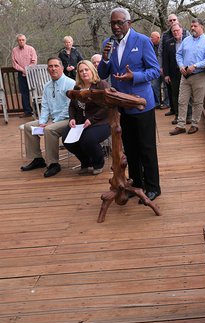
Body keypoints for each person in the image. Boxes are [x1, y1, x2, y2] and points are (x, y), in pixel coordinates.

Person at [98, 7, 161, 202]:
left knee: (146, 148)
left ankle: (153, 187)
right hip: (121, 106)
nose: (116, 27)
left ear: (128, 23)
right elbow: (102, 74)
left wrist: (135, 76)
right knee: (130, 148)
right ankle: (137, 184)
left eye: (119, 23)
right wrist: (105, 58)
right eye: (112, 23)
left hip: (141, 104)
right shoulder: (108, 43)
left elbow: (155, 70)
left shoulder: (142, 41)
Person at [20, 57, 75, 177]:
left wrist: (53, 122)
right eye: (50, 66)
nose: (53, 69)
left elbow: (69, 107)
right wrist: (42, 121)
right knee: (29, 126)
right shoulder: (47, 86)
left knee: (49, 130)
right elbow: (44, 106)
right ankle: (37, 159)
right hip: (52, 120)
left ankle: (53, 163)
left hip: (67, 119)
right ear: (47, 69)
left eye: (56, 66)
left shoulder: (70, 83)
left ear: (62, 67)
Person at [62, 60, 110, 175]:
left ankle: (98, 163)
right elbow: (72, 106)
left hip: (101, 122)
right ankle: (86, 162)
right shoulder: (77, 87)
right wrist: (72, 118)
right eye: (81, 71)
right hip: (80, 122)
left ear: (92, 70)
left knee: (87, 139)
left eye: (86, 69)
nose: (84, 73)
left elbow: (107, 106)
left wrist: (92, 120)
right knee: (67, 139)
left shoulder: (101, 84)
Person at [169, 18, 205, 136]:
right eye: (191, 26)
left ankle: (194, 124)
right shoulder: (186, 40)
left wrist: (195, 65)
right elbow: (178, 54)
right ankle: (181, 125)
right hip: (185, 76)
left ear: (201, 27)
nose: (192, 28)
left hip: (199, 75)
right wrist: (180, 66)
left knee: (197, 102)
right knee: (182, 101)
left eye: (195, 26)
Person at [159, 14, 189, 117]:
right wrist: (163, 69)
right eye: (170, 20)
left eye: (174, 20)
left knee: (186, 94)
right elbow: (162, 53)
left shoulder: (187, 37)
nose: (172, 21)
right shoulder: (165, 37)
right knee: (173, 92)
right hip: (172, 70)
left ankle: (188, 115)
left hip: (186, 70)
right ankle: (176, 113)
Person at [11, 34, 37, 117]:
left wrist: (27, 69)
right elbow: (14, 63)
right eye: (19, 40)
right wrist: (22, 70)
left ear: (25, 40)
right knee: (24, 93)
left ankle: (37, 110)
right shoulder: (14, 50)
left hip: (31, 72)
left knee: (34, 91)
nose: (21, 41)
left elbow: (34, 61)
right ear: (17, 41)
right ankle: (27, 111)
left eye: (23, 40)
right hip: (20, 73)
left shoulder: (31, 49)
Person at [150, 31, 168, 110]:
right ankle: (157, 102)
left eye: (152, 37)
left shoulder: (164, 45)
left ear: (157, 38)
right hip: (155, 70)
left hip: (164, 68)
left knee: (166, 86)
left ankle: (166, 103)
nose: (150, 39)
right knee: (154, 85)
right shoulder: (150, 46)